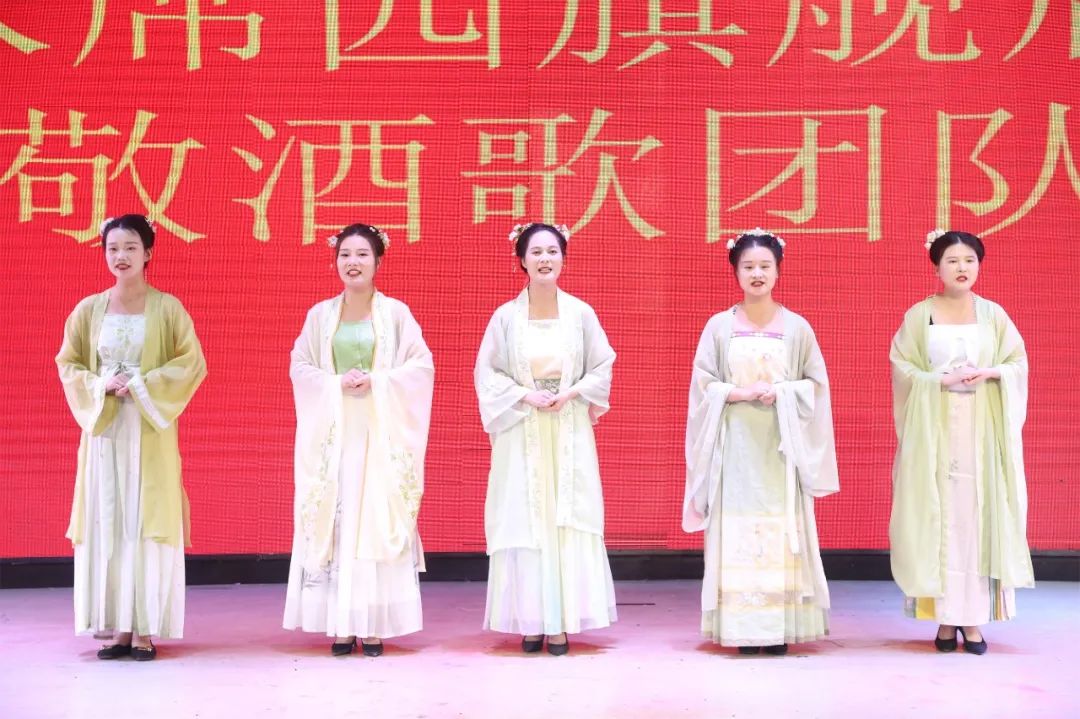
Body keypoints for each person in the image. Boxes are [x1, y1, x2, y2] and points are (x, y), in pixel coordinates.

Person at [56, 214, 207, 661]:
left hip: (147, 427)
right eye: (113, 248)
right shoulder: (88, 310)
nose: (120, 256)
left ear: (148, 253)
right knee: (109, 519)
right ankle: (118, 628)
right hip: (105, 431)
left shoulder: (168, 308)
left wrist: (141, 384)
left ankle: (144, 629)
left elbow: (191, 362)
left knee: (143, 520)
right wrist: (99, 384)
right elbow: (68, 364)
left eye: (130, 247)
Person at [683, 228, 838, 655]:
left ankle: (779, 626)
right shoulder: (719, 326)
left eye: (765, 266)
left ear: (777, 271)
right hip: (735, 447)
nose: (757, 274)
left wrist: (784, 392)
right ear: (735, 272)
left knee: (779, 527)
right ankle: (741, 627)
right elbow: (703, 386)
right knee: (737, 528)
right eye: (748, 266)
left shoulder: (797, 327)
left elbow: (816, 384)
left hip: (781, 448)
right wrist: (738, 392)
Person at [283, 223, 434, 657]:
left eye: (362, 254)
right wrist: (335, 383)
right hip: (334, 434)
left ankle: (373, 624)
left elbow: (421, 366)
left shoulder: (396, 314)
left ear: (378, 261)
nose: (353, 262)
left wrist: (378, 381)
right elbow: (300, 366)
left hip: (379, 432)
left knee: (374, 517)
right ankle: (340, 625)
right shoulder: (320, 316)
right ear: (336, 261)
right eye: (345, 255)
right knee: (338, 518)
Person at [475, 222, 617, 656]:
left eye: (552, 251)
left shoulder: (580, 314)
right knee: (526, 515)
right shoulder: (505, 317)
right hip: (524, 427)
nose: (544, 259)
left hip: (567, 424)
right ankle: (532, 620)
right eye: (535, 252)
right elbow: (487, 372)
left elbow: (602, 366)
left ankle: (563, 623)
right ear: (521, 259)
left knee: (566, 515)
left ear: (563, 258)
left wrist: (571, 393)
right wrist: (524, 394)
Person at [890, 229, 1032, 655]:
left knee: (977, 520)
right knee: (940, 518)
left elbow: (1017, 361)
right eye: (952, 260)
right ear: (936, 267)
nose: (961, 267)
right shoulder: (921, 316)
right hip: (935, 432)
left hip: (981, 433)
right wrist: (940, 380)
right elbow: (903, 367)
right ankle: (944, 619)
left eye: (969, 260)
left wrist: (992, 373)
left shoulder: (993, 315)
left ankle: (973, 620)